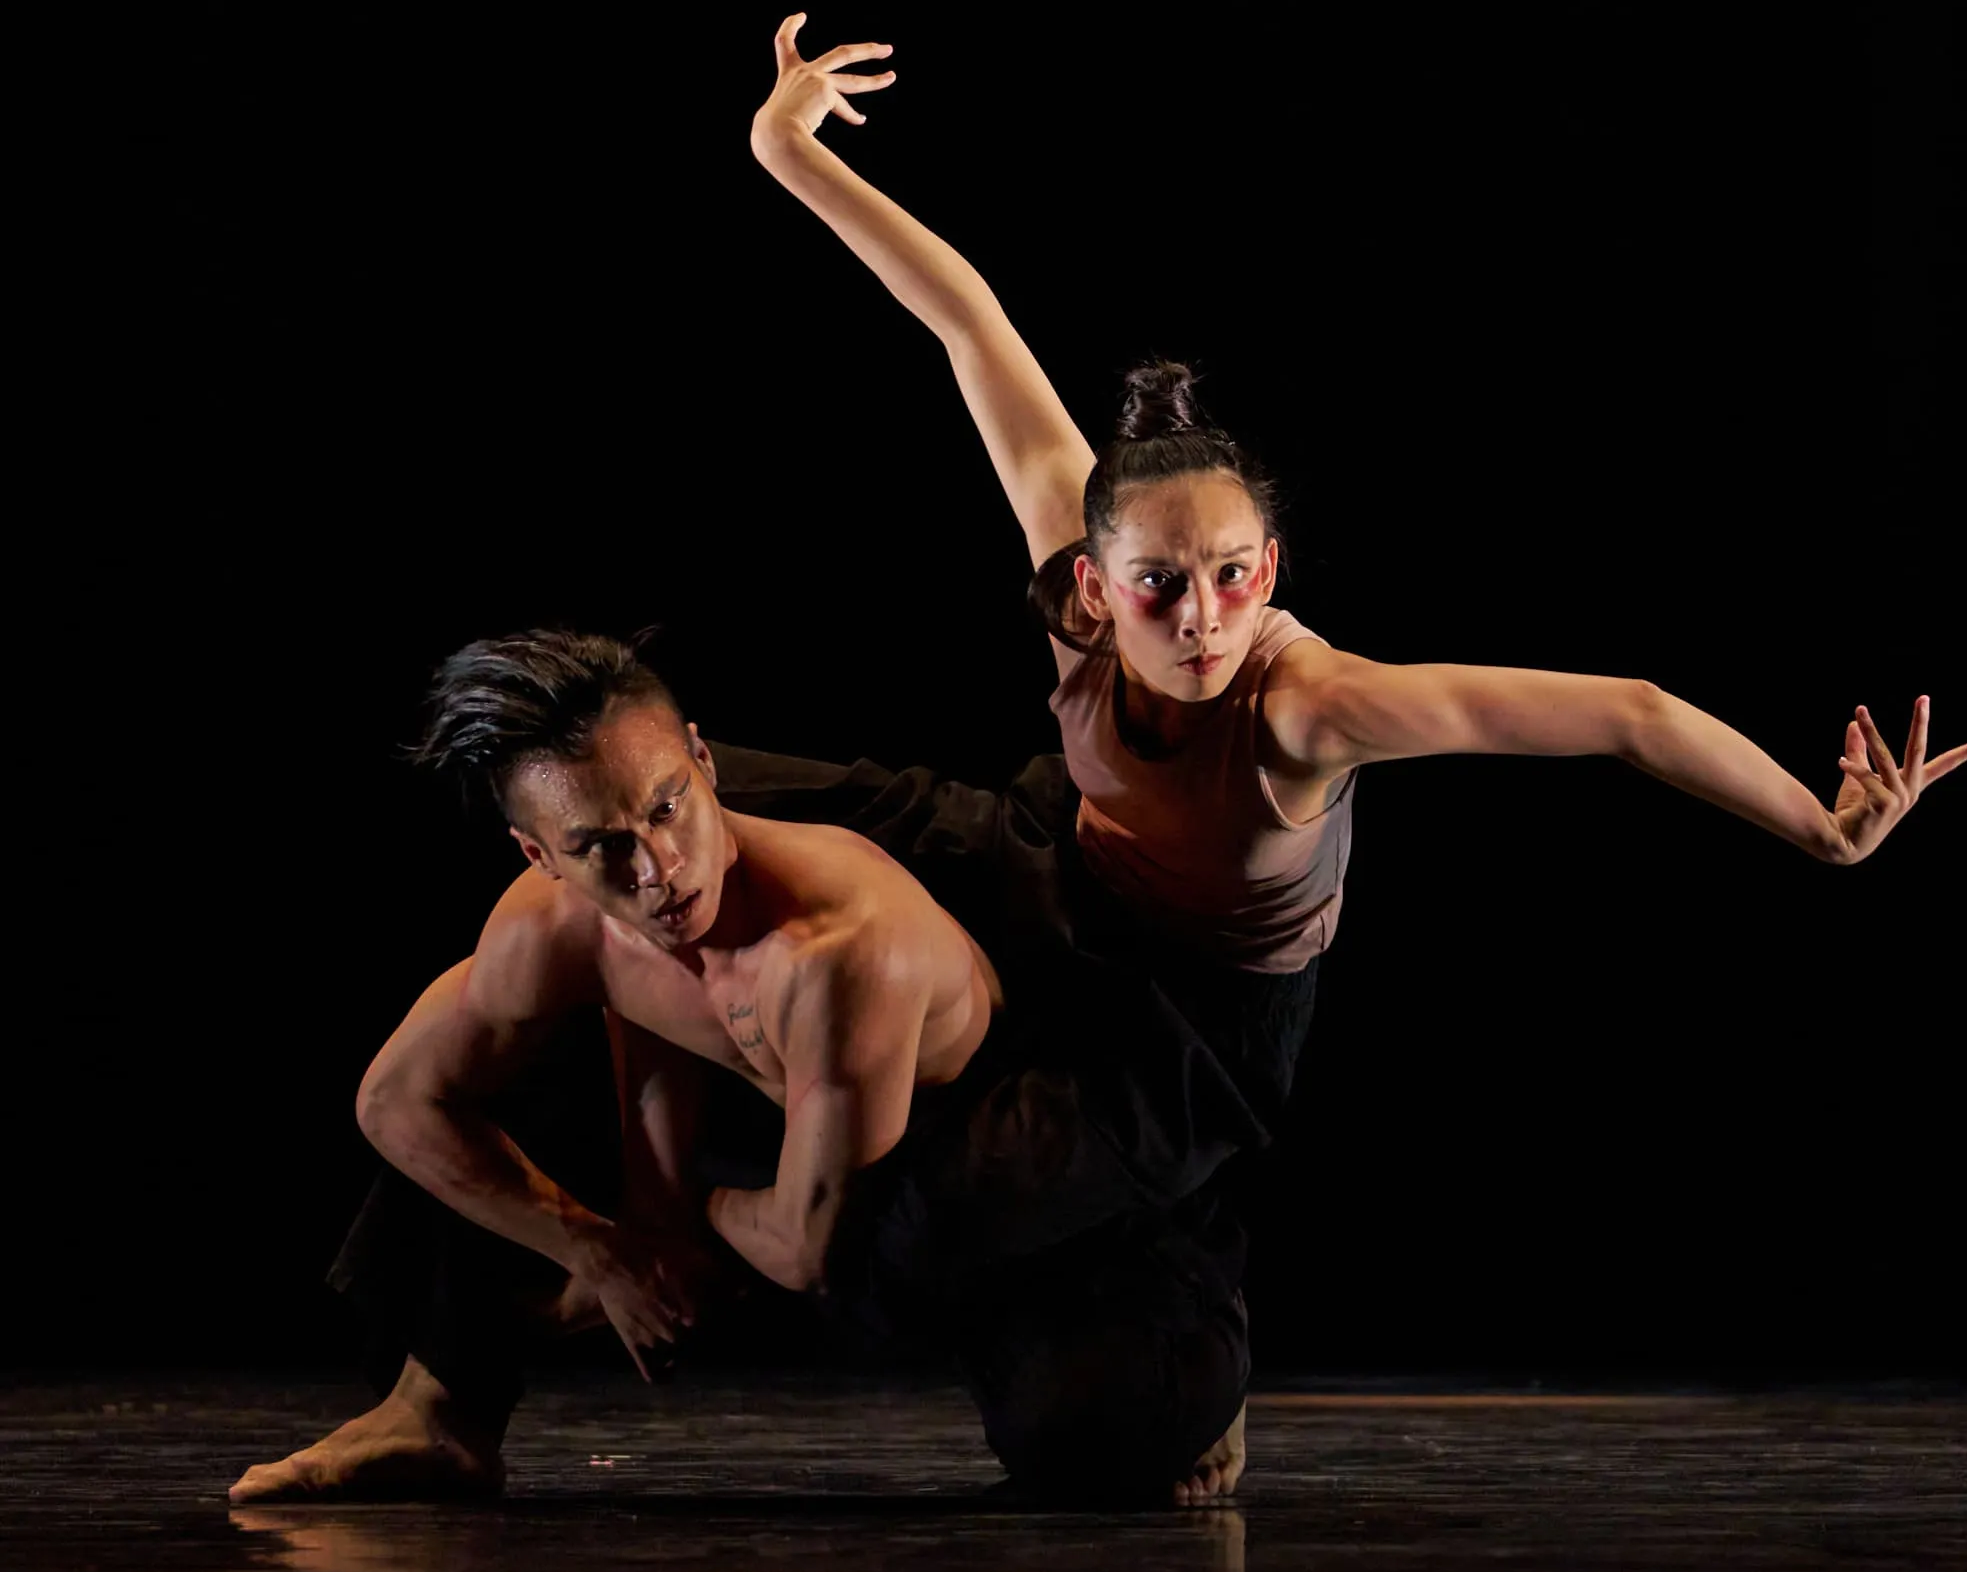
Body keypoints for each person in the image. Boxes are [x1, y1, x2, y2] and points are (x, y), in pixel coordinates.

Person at [747, 8, 1967, 1135]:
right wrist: (787, 149)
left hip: (1205, 1009)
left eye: (1233, 576)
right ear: (1092, 583)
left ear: (1270, 566)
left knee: (966, 1209)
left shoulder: (1307, 706)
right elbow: (965, 319)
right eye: (1158, 585)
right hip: (1067, 863)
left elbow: (1627, 711)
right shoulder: (1079, 584)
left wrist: (1820, 830)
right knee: (724, 796)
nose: (1201, 617)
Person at [231, 631, 1259, 1511]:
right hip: (791, 1129)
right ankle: (437, 1413)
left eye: (666, 808)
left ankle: (1194, 1337)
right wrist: (598, 1248)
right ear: (538, 855)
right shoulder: (554, 925)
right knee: (500, 1082)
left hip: (988, 1175)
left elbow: (810, 1250)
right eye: (600, 846)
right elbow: (396, 1100)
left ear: (702, 760)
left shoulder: (841, 946)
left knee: (1089, 1436)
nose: (657, 869)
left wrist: (679, 1221)